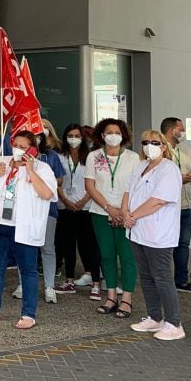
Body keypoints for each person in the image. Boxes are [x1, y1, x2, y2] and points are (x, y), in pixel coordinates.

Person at [0, 131, 57, 330]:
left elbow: (47, 194)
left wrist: (31, 170)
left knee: (27, 269)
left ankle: (28, 313)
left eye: (24, 146)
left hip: (24, 227)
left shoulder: (41, 168)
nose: (18, 149)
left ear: (33, 149)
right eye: (16, 145)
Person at [123, 130, 185, 340]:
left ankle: (174, 323)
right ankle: (155, 317)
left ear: (164, 146)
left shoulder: (169, 169)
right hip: (137, 230)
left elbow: (158, 200)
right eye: (145, 142)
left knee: (162, 277)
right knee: (147, 277)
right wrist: (125, 213)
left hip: (158, 232)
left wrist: (132, 215)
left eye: (155, 142)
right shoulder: (141, 166)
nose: (150, 145)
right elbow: (127, 191)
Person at [84, 118, 140, 319]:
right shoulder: (94, 156)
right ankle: (110, 296)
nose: (113, 135)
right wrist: (109, 208)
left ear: (123, 135)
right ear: (102, 135)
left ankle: (126, 298)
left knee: (127, 257)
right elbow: (90, 186)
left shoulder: (133, 158)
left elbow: (135, 187)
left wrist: (122, 211)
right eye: (109, 131)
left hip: (126, 213)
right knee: (107, 255)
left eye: (117, 131)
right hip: (100, 212)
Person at [18, 119, 65, 305]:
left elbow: (59, 180)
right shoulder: (16, 158)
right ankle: (23, 285)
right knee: (24, 247)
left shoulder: (50, 156)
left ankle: (49, 286)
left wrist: (40, 176)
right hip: (24, 211)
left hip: (48, 210)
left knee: (47, 248)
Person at [159, 117, 191, 295]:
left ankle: (182, 281)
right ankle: (162, 281)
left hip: (186, 206)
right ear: (172, 130)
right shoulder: (160, 150)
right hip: (167, 207)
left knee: (183, 245)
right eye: (181, 129)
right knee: (164, 246)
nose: (183, 132)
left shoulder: (185, 150)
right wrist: (180, 178)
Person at [55, 124, 101, 298]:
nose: (73, 139)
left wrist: (83, 201)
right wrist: (65, 200)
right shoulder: (60, 157)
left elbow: (95, 182)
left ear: (82, 138)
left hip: (86, 206)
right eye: (70, 135)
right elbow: (57, 181)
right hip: (65, 206)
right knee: (68, 245)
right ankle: (69, 281)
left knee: (89, 245)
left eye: (77, 135)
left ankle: (96, 283)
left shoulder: (91, 157)